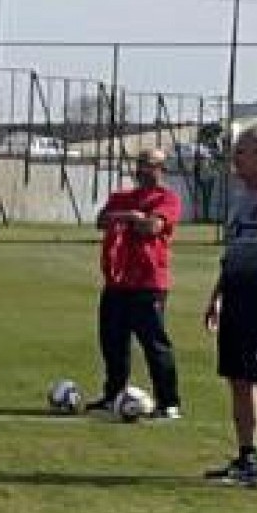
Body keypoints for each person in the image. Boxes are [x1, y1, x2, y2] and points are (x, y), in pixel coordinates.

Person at [94, 148, 183, 417]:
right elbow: (101, 220)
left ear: (160, 169)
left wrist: (129, 217)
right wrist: (132, 215)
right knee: (112, 343)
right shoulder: (121, 196)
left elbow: (152, 227)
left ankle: (168, 402)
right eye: (140, 164)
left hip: (149, 283)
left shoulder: (168, 198)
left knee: (154, 345)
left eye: (149, 165)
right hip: (117, 281)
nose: (142, 169)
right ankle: (113, 395)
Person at [207, 126, 257, 485]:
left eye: (240, 153)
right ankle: (247, 459)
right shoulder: (241, 198)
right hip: (238, 299)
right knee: (240, 379)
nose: (234, 161)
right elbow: (234, 255)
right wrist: (217, 295)